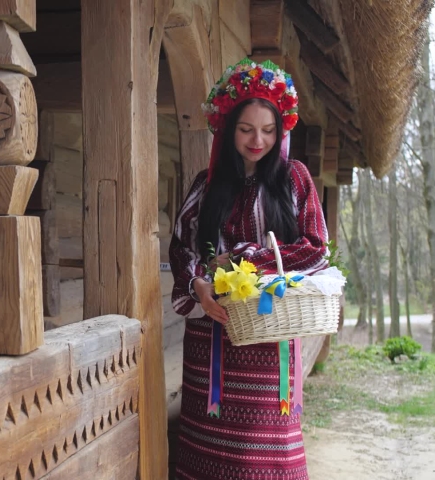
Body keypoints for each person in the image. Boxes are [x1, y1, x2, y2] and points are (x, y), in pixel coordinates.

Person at [169, 58, 329, 479]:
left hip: (268, 335)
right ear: (227, 129)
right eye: (246, 129)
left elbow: (316, 250)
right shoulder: (205, 184)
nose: (258, 140)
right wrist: (199, 286)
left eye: (268, 130)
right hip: (210, 335)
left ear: (281, 130)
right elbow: (182, 246)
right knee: (209, 448)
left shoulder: (294, 179)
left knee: (262, 454)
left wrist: (244, 261)